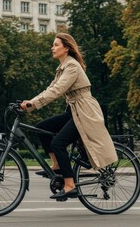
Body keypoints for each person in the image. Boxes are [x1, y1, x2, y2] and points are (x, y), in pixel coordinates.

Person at [20, 33, 118, 200]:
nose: (52, 47)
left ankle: (70, 185)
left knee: (57, 143)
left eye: (56, 45)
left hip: (85, 111)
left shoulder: (72, 66)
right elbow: (50, 88)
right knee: (41, 128)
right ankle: (57, 166)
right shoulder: (62, 68)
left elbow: (57, 90)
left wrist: (34, 104)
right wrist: (31, 102)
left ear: (66, 48)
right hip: (74, 109)